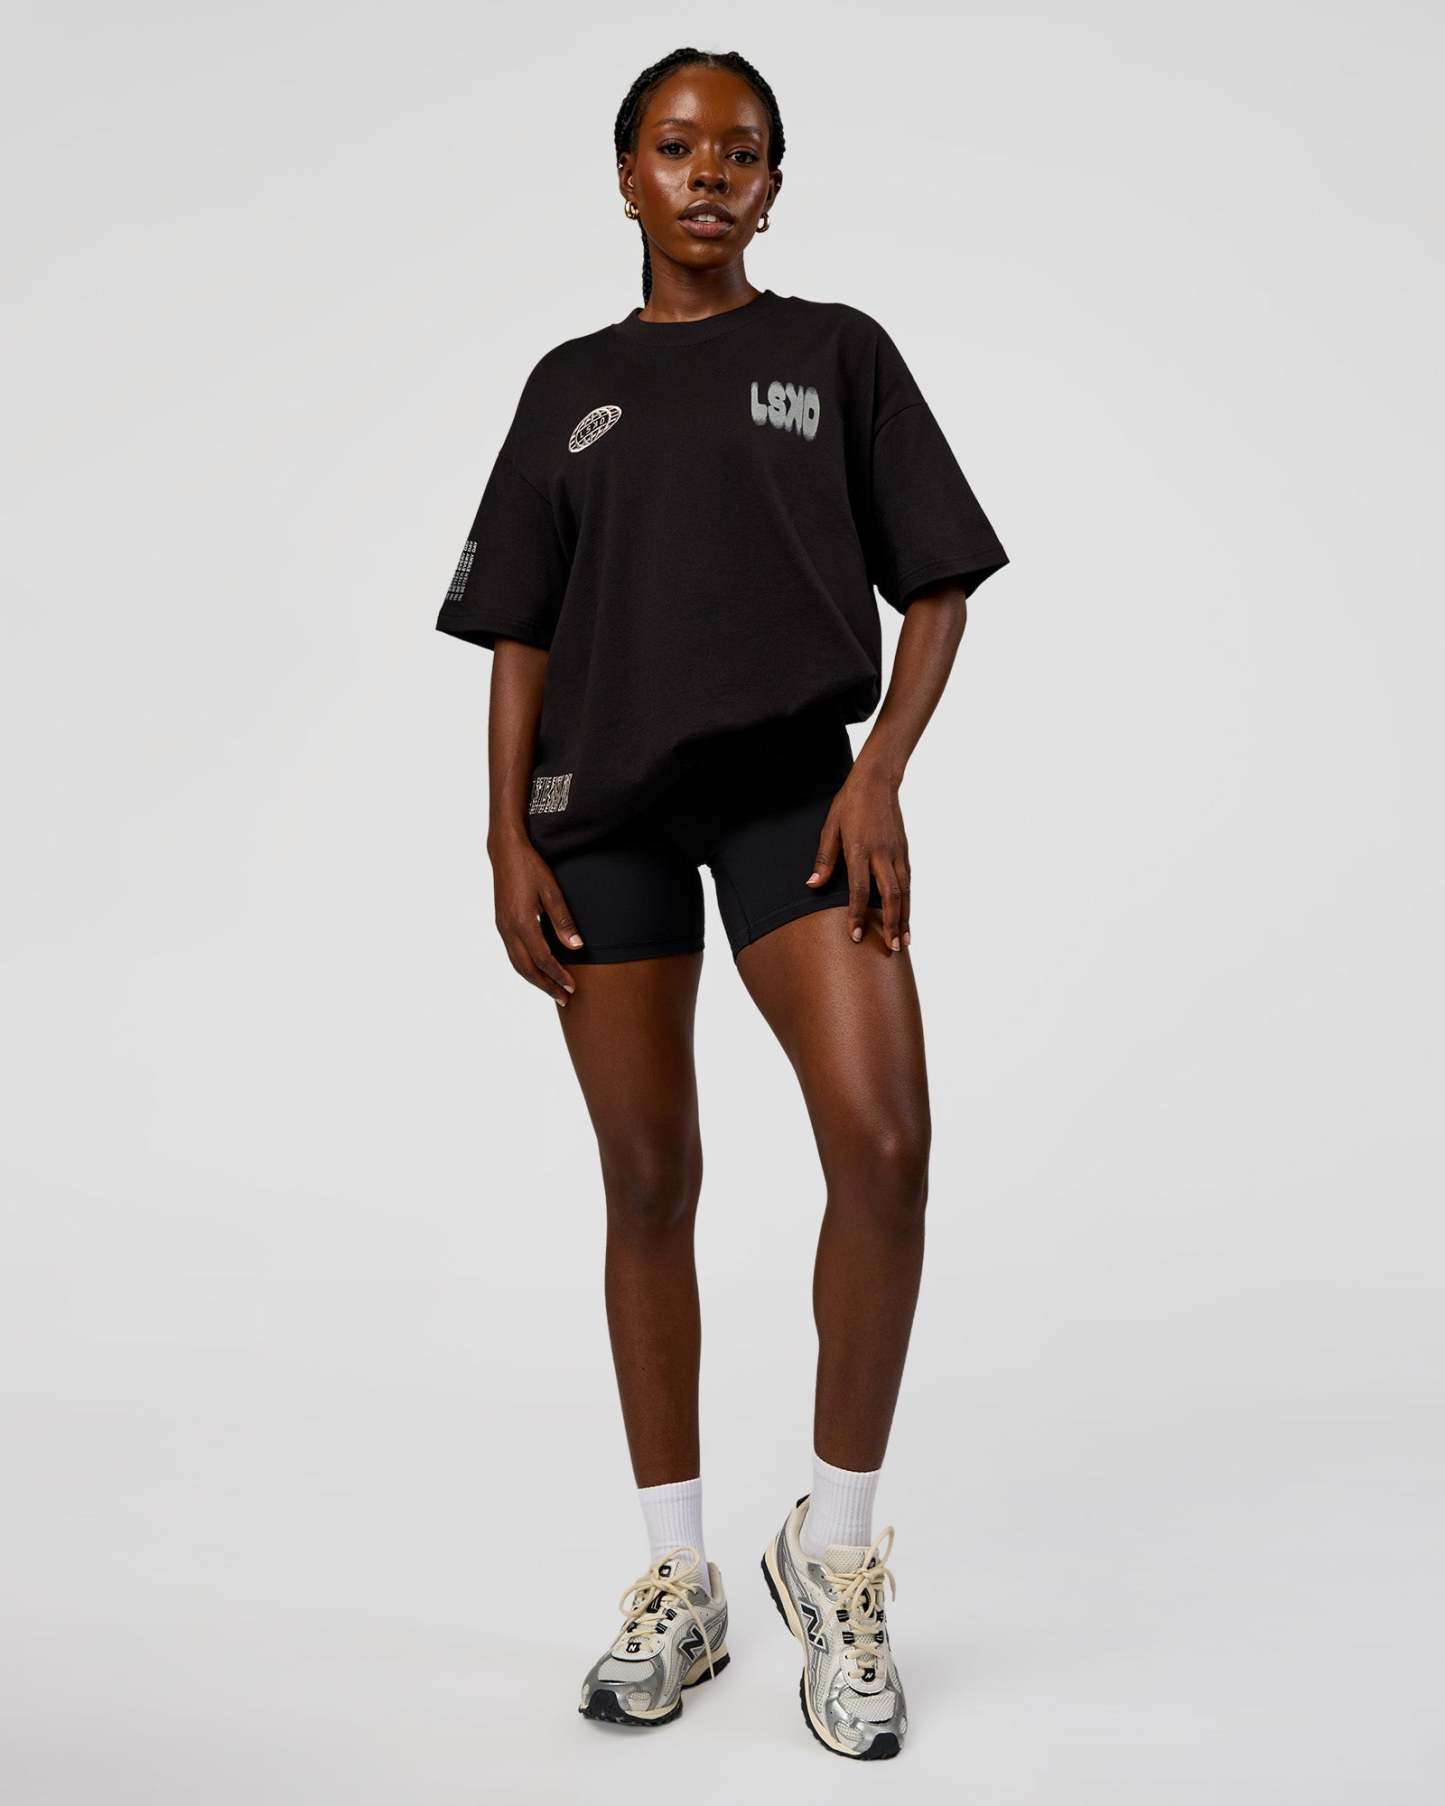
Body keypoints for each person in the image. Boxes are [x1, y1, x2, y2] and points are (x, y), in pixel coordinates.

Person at [436, 47, 1009, 1761]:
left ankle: (833, 1551)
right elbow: (520, 629)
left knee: (884, 1146)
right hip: (598, 815)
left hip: (789, 797)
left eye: (740, 150)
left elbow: (936, 587)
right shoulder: (569, 385)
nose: (708, 172)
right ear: (624, 173)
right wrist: (503, 837)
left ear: (773, 183)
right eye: (677, 146)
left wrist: (878, 772)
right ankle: (676, 1574)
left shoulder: (834, 354)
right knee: (647, 1176)